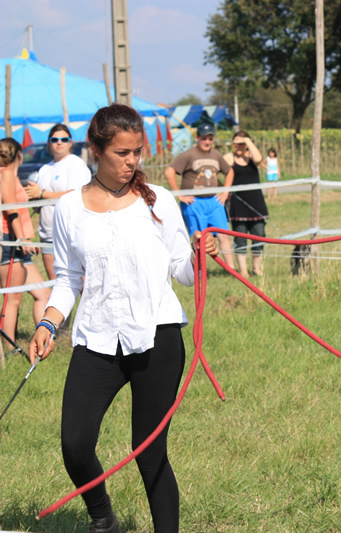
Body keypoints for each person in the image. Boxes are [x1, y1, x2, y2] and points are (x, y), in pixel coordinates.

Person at [28, 104, 219, 533]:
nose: (132, 162)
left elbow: (184, 273)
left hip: (158, 338)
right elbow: (67, 279)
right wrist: (47, 323)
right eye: (122, 153)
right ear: (95, 150)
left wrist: (202, 258)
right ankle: (104, 518)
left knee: (149, 452)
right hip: (96, 339)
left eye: (137, 152)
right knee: (75, 444)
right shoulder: (68, 210)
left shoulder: (161, 202)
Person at [24, 124, 92, 280]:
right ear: (49, 143)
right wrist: (34, 197)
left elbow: (75, 195)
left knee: (84, 287)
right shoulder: (44, 169)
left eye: (64, 139)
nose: (59, 142)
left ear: (70, 142)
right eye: (55, 139)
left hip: (71, 234)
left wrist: (42, 193)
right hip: (48, 234)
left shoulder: (75, 164)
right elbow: (41, 199)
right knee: (56, 287)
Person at [164, 123, 236, 270]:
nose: (207, 142)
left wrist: (225, 192)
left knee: (224, 235)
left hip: (214, 202)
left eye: (210, 138)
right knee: (199, 240)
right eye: (204, 138)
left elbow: (229, 172)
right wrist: (180, 195)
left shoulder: (216, 154)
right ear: (197, 138)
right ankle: (199, 270)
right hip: (194, 203)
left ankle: (231, 269)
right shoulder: (189, 155)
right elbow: (169, 172)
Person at [0, 138, 49, 344]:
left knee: (43, 293)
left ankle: (45, 339)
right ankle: (9, 347)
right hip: (10, 241)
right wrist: (21, 239)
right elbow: (11, 210)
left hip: (19, 243)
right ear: (19, 154)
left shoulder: (9, 175)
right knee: (13, 299)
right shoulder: (7, 174)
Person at [223, 131, 269, 277]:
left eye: (241, 142)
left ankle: (257, 269)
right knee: (240, 238)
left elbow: (259, 158)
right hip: (238, 204)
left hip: (256, 203)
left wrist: (247, 141)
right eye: (236, 142)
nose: (238, 146)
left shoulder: (251, 157)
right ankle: (243, 271)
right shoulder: (230, 158)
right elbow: (220, 167)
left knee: (259, 235)